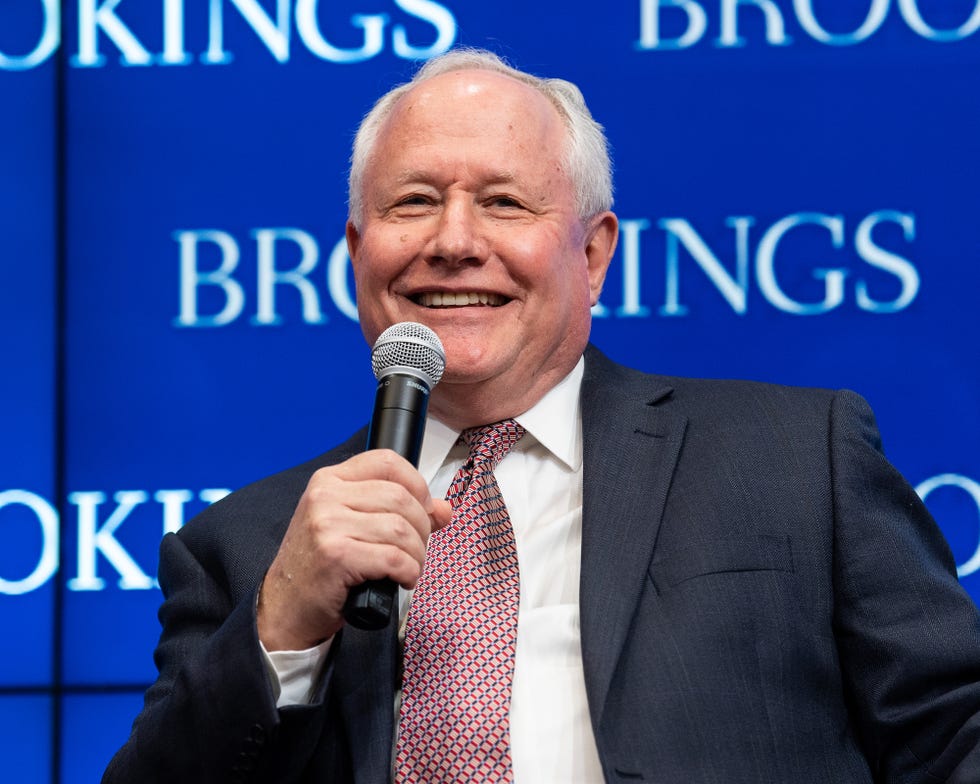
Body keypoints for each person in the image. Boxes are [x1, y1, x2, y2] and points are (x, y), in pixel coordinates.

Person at [103, 48, 980, 784]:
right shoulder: (245, 546)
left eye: (503, 202)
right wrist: (280, 628)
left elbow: (953, 737)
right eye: (412, 202)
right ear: (357, 254)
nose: (453, 241)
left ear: (593, 255)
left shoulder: (797, 460)